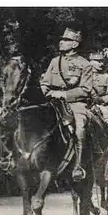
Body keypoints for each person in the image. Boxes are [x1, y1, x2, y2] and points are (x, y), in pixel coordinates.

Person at [40, 27, 95, 181]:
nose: (61, 42)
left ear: (74, 44)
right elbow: (45, 83)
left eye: (66, 40)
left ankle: (78, 166)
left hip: (75, 103)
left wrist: (64, 94)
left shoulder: (85, 64)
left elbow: (85, 89)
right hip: (52, 100)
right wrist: (48, 93)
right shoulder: (54, 61)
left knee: (80, 127)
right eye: (62, 39)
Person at [89, 51, 108, 136]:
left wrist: (101, 99)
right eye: (98, 61)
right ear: (91, 62)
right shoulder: (83, 76)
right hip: (84, 105)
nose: (101, 63)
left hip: (101, 105)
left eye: (102, 61)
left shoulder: (107, 77)